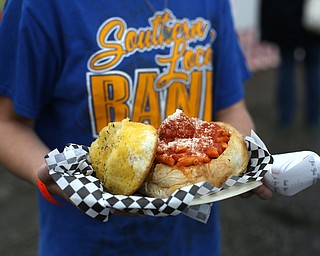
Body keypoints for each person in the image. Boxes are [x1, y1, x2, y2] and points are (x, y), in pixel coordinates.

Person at [0, 0, 272, 255]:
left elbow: (231, 108)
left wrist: (245, 167)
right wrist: (62, 179)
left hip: (192, 241)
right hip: (83, 240)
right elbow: (6, 122)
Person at [260, 0, 320, 128]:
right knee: (313, 67)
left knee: (287, 65)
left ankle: (285, 116)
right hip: (311, 21)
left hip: (286, 19)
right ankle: (314, 117)